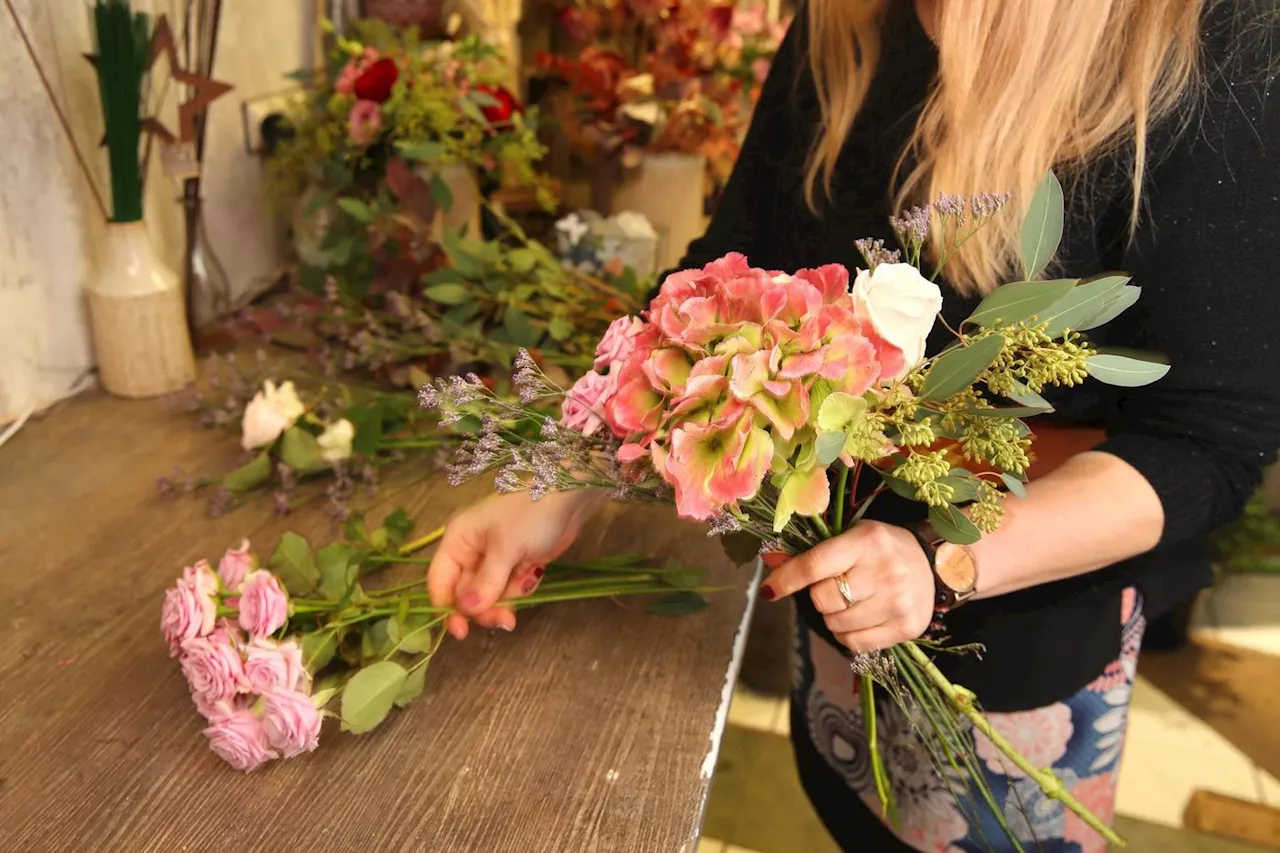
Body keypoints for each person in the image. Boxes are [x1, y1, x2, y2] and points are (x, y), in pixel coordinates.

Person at [428, 0, 1280, 849]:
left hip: (1025, 627)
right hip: (833, 581)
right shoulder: (849, 21)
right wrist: (566, 477)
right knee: (847, 807)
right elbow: (730, 270)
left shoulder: (1208, 43)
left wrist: (942, 561)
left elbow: (1208, 441)